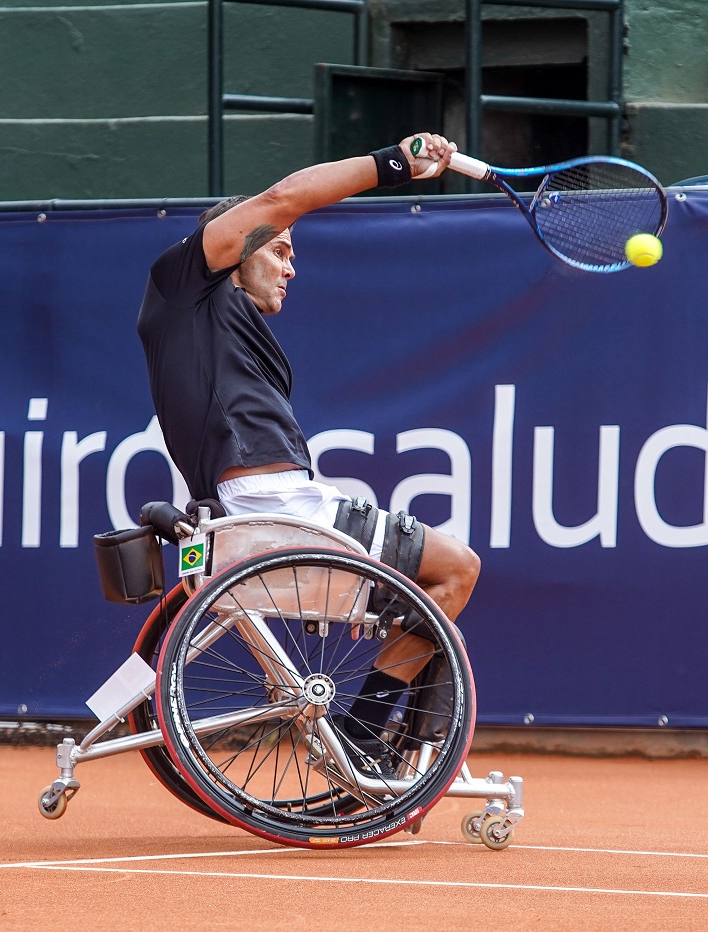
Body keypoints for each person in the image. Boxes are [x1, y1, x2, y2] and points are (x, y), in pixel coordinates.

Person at [136, 132, 480, 768]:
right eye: (281, 249)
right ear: (233, 248)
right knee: (456, 569)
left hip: (269, 513)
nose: (292, 266)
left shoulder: (224, 330)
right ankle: (367, 732)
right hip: (274, 511)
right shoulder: (185, 284)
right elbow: (286, 196)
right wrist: (395, 164)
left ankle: (387, 737)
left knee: (432, 609)